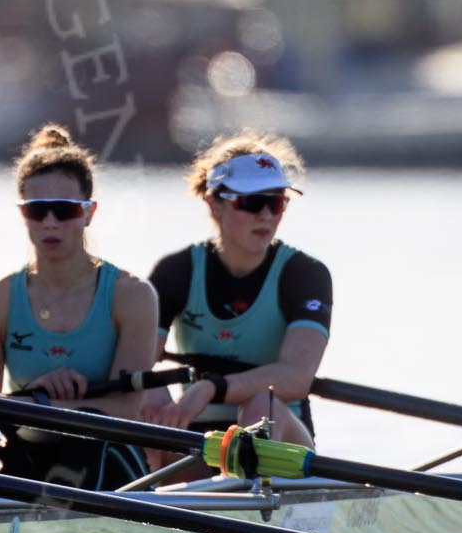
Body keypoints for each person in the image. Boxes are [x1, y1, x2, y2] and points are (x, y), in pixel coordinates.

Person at [0, 125, 161, 488]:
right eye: (37, 210)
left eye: (63, 211)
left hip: (107, 455)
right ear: (23, 213)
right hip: (28, 452)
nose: (50, 223)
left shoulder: (132, 295)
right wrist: (37, 392)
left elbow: (126, 409)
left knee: (88, 448)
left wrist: (43, 407)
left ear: (89, 212)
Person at [141, 132, 330, 446]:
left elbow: (296, 378)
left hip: (277, 438)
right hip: (196, 437)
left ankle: (248, 485)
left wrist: (212, 387)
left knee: (260, 405)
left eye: (276, 203)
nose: (267, 216)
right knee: (145, 396)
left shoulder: (305, 274)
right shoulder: (176, 272)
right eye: (253, 202)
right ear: (214, 203)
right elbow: (136, 360)